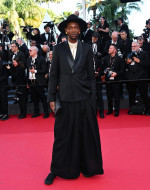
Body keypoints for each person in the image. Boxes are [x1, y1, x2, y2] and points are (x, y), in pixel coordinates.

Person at [45, 14, 104, 185]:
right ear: (65, 30)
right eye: (70, 27)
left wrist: (92, 98)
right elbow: (54, 75)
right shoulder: (58, 49)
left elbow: (91, 77)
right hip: (65, 99)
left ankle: (88, 168)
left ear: (80, 30)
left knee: (86, 135)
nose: (73, 30)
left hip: (84, 98)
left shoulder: (86, 49)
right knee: (62, 137)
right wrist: (51, 98)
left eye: (76, 27)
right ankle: (56, 170)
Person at [125, 41, 150, 115]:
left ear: (139, 46)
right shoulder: (129, 54)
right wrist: (127, 63)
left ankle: (148, 109)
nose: (133, 48)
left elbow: (148, 64)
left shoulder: (144, 54)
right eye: (132, 46)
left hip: (141, 78)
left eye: (135, 46)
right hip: (131, 78)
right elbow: (125, 66)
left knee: (144, 94)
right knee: (131, 95)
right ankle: (131, 109)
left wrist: (139, 61)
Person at [26, 46, 49, 118]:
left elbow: (44, 70)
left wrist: (35, 71)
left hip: (39, 82)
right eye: (29, 51)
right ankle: (36, 112)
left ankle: (46, 112)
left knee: (43, 98)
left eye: (30, 51)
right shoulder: (28, 59)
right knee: (34, 98)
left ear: (35, 51)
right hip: (31, 81)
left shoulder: (41, 59)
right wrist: (27, 82)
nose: (29, 52)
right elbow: (27, 71)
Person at [103, 44, 125, 117]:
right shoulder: (106, 58)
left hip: (116, 80)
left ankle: (116, 111)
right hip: (108, 80)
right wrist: (106, 70)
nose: (109, 49)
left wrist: (116, 73)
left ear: (115, 50)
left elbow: (122, 70)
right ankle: (110, 110)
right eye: (109, 48)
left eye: (110, 48)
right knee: (109, 96)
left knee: (116, 96)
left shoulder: (119, 59)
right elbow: (103, 68)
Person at [0, 51, 9, 121]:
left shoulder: (4, 63)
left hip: (3, 84)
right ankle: (0, 113)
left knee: (3, 99)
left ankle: (5, 113)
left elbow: (6, 75)